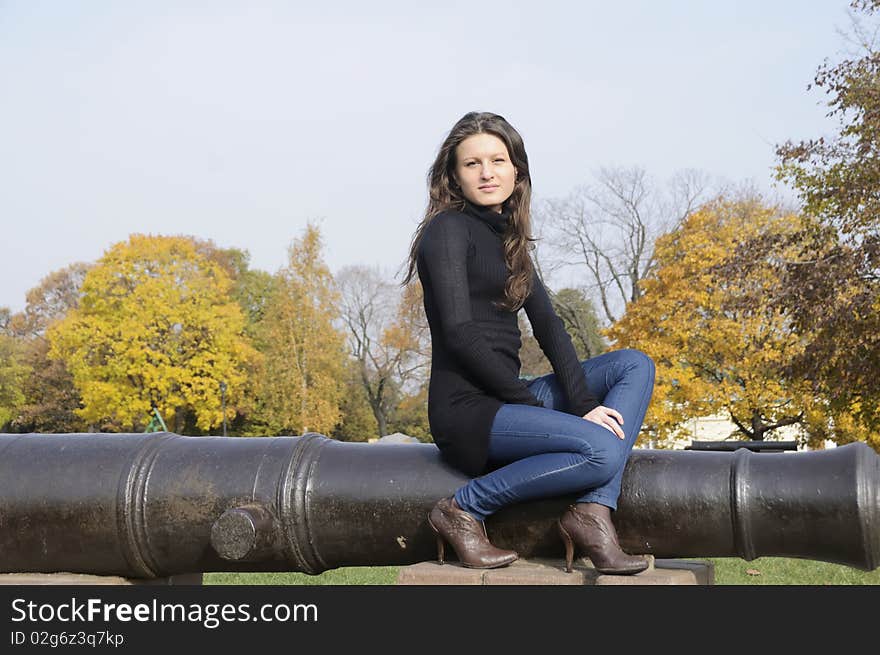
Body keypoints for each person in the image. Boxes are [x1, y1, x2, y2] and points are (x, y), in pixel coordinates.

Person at [401, 111, 655, 575]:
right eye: (472, 163)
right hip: (468, 412)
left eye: (498, 160)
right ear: (454, 176)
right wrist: (531, 404)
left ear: (516, 170)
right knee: (600, 450)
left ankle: (593, 511)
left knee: (634, 365)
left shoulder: (509, 239)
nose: (487, 172)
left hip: (511, 395)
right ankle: (461, 508)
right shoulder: (447, 231)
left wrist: (580, 403)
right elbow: (459, 333)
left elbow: (549, 326)